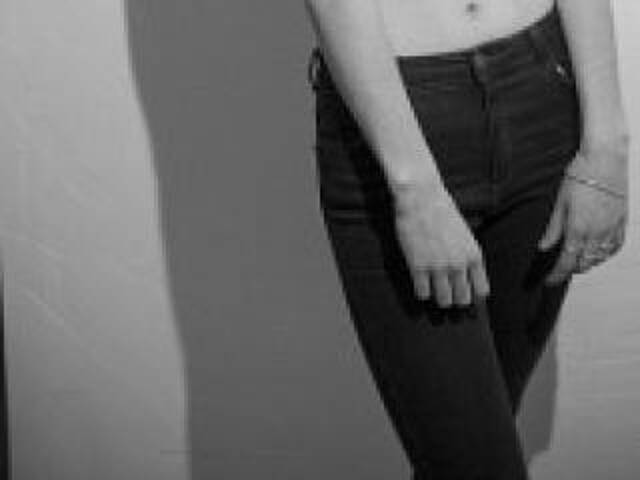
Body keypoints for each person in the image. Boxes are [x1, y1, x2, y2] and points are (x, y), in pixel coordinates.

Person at [304, 0, 629, 478]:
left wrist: (607, 145)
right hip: (398, 121)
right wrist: (416, 192)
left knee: (473, 447)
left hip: (542, 93)